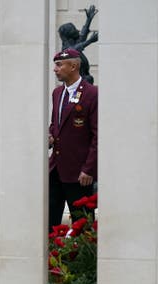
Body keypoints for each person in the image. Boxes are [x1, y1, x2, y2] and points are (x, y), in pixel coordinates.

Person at [48, 48, 98, 230]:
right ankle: (52, 257)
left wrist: (89, 168)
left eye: (59, 64)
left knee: (82, 226)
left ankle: (82, 259)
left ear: (74, 66)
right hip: (55, 170)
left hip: (79, 174)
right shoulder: (57, 93)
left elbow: (97, 135)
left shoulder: (92, 94)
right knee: (50, 224)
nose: (55, 69)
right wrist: (50, 134)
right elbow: (56, 124)